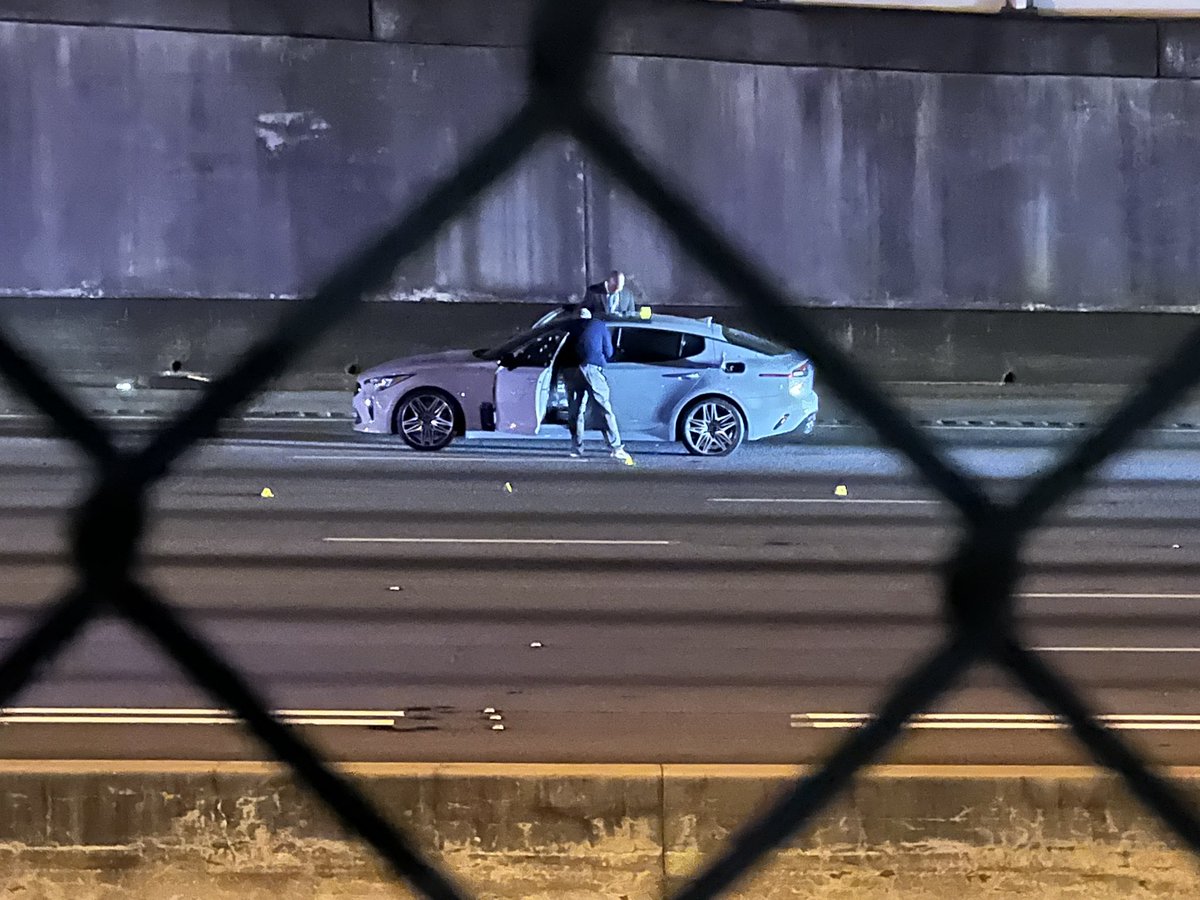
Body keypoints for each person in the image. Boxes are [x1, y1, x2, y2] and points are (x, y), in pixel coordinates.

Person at [564, 305, 634, 464]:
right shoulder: (598, 325)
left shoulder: (569, 327)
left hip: (572, 369)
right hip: (593, 368)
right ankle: (615, 447)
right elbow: (608, 351)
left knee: (576, 409)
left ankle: (576, 447)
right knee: (603, 407)